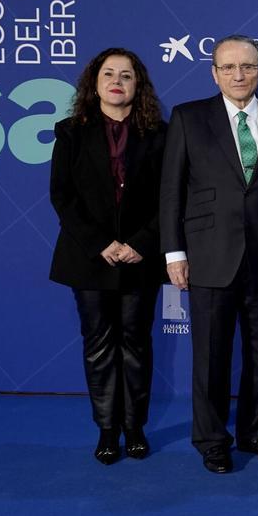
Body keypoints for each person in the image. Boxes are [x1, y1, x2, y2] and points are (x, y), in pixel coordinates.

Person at [160, 34, 258, 474]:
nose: (238, 75)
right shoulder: (188, 117)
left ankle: (256, 433)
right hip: (207, 255)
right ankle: (212, 441)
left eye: (247, 67)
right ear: (214, 73)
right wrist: (173, 252)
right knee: (211, 357)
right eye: (228, 67)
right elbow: (170, 191)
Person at [49, 47, 166, 465]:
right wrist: (101, 243)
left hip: (141, 257)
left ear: (139, 85)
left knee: (136, 344)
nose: (117, 80)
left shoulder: (160, 134)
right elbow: (62, 197)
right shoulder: (69, 132)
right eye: (108, 73)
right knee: (98, 345)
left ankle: (135, 428)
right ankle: (107, 430)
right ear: (94, 83)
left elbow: (168, 199)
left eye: (127, 75)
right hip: (88, 257)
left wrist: (140, 242)